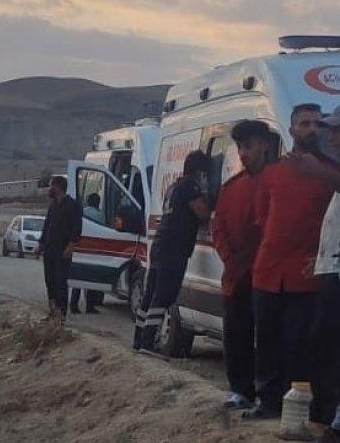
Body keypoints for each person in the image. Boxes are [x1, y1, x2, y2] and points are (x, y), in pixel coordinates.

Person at [244, 102, 340, 420]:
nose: (311, 129)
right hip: (269, 271)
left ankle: (299, 409)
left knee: (300, 344)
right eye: (304, 124)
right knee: (266, 338)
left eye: (316, 124)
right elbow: (262, 217)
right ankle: (268, 401)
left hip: (310, 274)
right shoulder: (273, 173)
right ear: (291, 129)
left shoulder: (330, 173)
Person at [211, 119, 272, 408]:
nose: (244, 153)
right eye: (240, 147)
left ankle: (268, 393)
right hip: (237, 275)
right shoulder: (231, 188)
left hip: (269, 274)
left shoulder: (277, 181)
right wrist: (229, 258)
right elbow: (219, 227)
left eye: (248, 146)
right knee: (237, 335)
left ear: (264, 145)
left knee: (270, 338)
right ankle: (240, 390)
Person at [133, 150, 210, 353]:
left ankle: (139, 339)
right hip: (174, 249)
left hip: (161, 245)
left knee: (150, 295)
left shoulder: (174, 186)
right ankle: (149, 342)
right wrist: (208, 196)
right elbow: (203, 213)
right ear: (199, 172)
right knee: (163, 295)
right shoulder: (190, 186)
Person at [301, 106, 340, 443]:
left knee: (329, 347)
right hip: (331, 268)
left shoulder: (331, 172)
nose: (332, 136)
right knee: (323, 345)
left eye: (337, 130)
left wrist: (319, 173)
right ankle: (329, 424)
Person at [37, 175, 82, 322]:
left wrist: (70, 246)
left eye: (51, 186)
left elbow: (77, 228)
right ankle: (52, 311)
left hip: (63, 250)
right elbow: (47, 226)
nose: (49, 189)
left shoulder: (73, 205)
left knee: (60, 281)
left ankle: (61, 314)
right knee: (49, 280)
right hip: (50, 249)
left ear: (58, 187)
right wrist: (41, 244)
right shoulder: (53, 205)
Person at [69, 194, 103, 315]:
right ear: (98, 202)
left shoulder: (82, 212)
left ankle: (74, 305)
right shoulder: (100, 215)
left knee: (78, 279)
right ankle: (90, 307)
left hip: (80, 246)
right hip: (94, 248)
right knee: (92, 279)